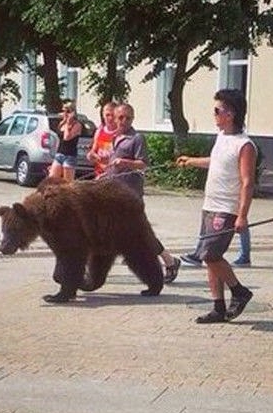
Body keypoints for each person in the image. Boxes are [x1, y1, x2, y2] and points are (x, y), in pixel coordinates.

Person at [176, 89, 255, 324]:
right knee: (212, 257)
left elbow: (247, 182)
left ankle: (239, 291)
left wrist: (242, 216)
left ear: (229, 114)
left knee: (209, 255)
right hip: (209, 205)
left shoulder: (245, 145)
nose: (214, 114)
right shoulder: (222, 137)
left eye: (217, 110)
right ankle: (218, 307)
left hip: (226, 208)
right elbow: (217, 162)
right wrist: (191, 161)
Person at [103, 102, 181, 283]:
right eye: (120, 117)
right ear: (114, 118)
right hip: (114, 194)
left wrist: (125, 162)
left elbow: (142, 164)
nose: (124, 121)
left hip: (130, 196)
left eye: (128, 118)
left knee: (141, 233)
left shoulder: (137, 138)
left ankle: (168, 261)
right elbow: (113, 166)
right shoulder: (116, 137)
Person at [48, 101, 82, 182]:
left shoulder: (77, 125)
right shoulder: (62, 123)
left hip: (69, 156)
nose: (65, 113)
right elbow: (59, 139)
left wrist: (68, 123)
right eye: (64, 111)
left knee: (67, 183)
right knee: (51, 179)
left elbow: (66, 137)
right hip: (59, 154)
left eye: (68, 111)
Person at [86, 101, 118, 178]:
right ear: (103, 115)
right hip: (99, 172)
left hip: (114, 175)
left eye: (113, 115)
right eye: (107, 115)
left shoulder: (119, 133)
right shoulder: (99, 131)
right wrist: (92, 155)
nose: (110, 118)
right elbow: (93, 150)